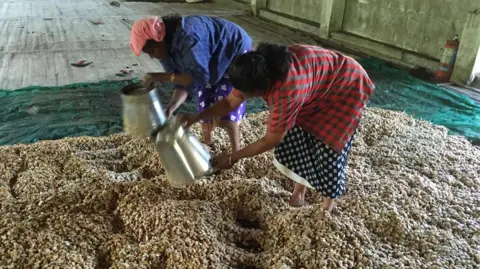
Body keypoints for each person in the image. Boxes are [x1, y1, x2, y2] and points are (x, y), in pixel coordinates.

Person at [178, 43, 374, 211]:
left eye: (247, 95)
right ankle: (299, 192)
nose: (242, 97)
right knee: (299, 135)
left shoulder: (286, 92)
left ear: (262, 88)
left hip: (347, 87)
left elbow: (272, 139)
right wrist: (196, 117)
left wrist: (232, 157)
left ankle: (326, 208)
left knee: (327, 146)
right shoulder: (258, 68)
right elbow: (230, 102)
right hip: (317, 87)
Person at [129, 14, 252, 152]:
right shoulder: (165, 52)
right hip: (208, 61)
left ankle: (236, 152)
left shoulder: (189, 37)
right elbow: (182, 82)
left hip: (233, 51)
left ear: (159, 40)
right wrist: (171, 108)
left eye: (151, 51)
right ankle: (208, 145)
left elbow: (198, 77)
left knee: (227, 108)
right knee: (204, 105)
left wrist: (163, 77)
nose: (152, 56)